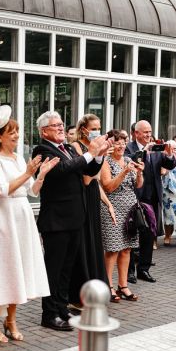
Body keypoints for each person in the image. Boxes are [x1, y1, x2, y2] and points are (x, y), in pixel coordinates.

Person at [0, 106, 58, 343]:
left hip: (21, 216)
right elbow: (1, 190)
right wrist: (28, 171)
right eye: (12, 131)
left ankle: (11, 320)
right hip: (2, 218)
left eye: (18, 131)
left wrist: (40, 174)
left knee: (17, 268)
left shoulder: (19, 158)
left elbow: (30, 190)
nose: (17, 135)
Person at [33, 111, 111, 331]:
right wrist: (89, 153)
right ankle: (48, 314)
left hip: (76, 218)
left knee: (67, 268)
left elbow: (88, 171)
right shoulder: (42, 150)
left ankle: (60, 306)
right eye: (54, 125)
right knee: (54, 269)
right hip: (56, 221)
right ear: (43, 131)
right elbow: (62, 170)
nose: (60, 128)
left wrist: (98, 155)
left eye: (61, 124)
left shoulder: (67, 148)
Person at [68, 114, 112, 309]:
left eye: (99, 127)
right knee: (84, 243)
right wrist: (97, 155)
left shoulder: (96, 147)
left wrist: (107, 202)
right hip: (82, 196)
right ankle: (80, 293)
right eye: (93, 127)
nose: (97, 131)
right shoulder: (77, 147)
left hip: (93, 195)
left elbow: (97, 179)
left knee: (95, 241)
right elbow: (87, 178)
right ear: (83, 128)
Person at [126, 120, 176, 283]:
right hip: (134, 196)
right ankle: (129, 271)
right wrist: (144, 152)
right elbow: (131, 162)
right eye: (145, 132)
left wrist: (168, 154)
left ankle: (144, 269)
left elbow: (170, 165)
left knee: (149, 235)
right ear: (136, 133)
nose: (148, 135)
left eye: (150, 132)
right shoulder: (129, 148)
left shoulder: (156, 149)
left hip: (152, 196)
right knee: (131, 234)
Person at [100, 130, 144, 302]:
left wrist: (139, 172)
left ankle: (123, 285)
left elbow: (138, 185)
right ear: (111, 144)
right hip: (112, 208)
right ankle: (108, 286)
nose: (121, 146)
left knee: (127, 248)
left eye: (123, 142)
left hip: (130, 209)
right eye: (117, 142)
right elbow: (108, 187)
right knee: (112, 249)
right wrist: (124, 172)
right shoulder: (105, 161)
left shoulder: (128, 160)